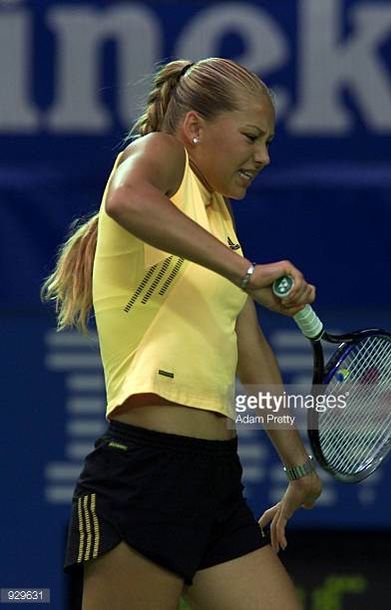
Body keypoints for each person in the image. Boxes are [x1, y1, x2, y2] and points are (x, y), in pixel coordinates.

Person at [42, 57, 322, 610]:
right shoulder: (160, 153)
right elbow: (126, 199)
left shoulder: (219, 222)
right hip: (147, 476)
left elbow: (252, 353)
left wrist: (299, 468)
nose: (263, 156)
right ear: (194, 128)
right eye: (251, 137)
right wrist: (246, 274)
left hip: (215, 481)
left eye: (268, 142)